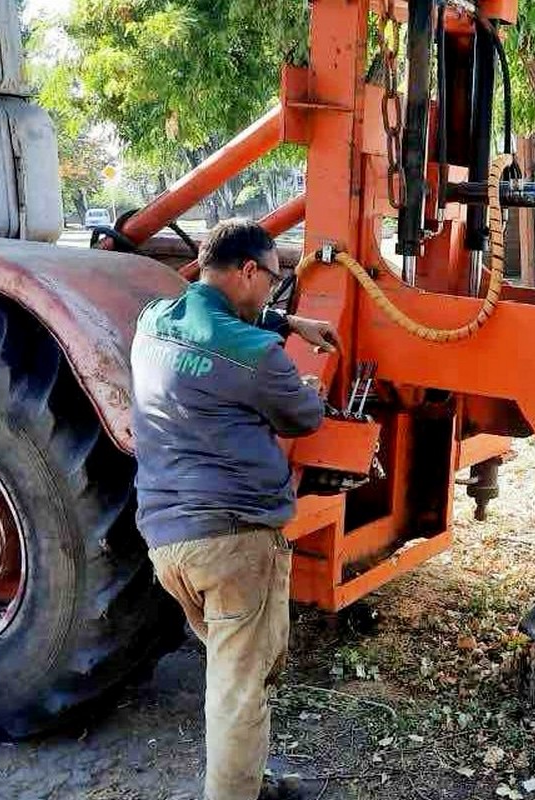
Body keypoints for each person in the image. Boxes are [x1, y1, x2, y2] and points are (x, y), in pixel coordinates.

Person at [131, 219, 340, 800]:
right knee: (241, 686)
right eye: (274, 282)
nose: (274, 292)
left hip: (167, 542)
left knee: (232, 674)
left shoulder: (152, 322)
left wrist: (286, 320)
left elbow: (212, 327)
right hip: (233, 541)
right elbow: (303, 417)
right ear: (250, 271)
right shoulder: (258, 357)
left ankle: (242, 778)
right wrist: (307, 387)